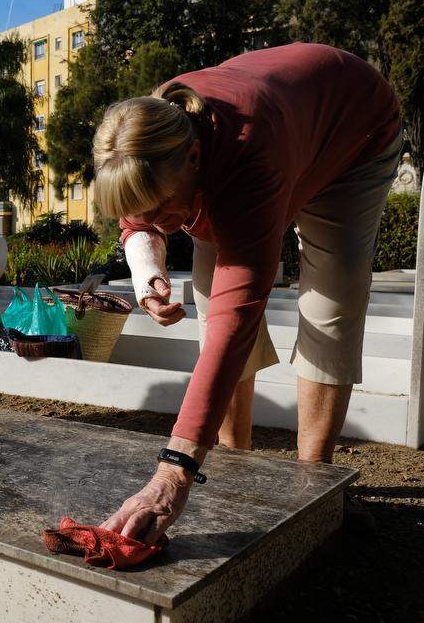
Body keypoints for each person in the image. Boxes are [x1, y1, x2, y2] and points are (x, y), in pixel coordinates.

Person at [92, 43, 402, 543]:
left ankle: (315, 478)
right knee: (213, 298)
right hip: (277, 128)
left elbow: (237, 326)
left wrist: (174, 471)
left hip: (352, 132)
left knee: (331, 298)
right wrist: (147, 272)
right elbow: (137, 211)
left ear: (194, 157)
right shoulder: (150, 134)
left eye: (163, 208)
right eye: (144, 210)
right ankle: (235, 463)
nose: (158, 224)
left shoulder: (248, 160)